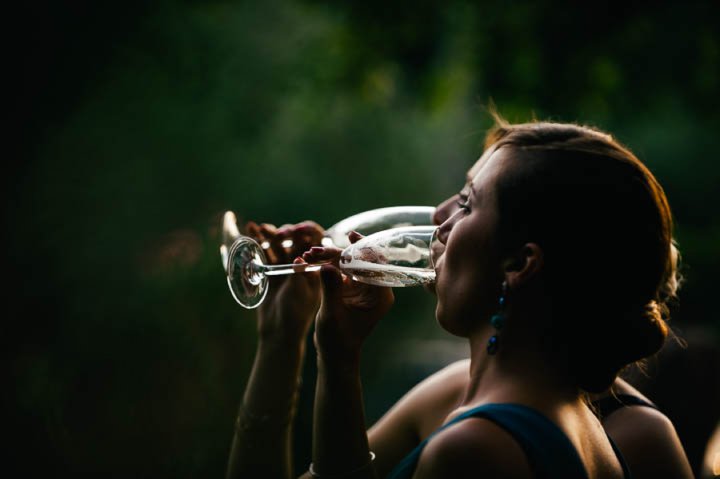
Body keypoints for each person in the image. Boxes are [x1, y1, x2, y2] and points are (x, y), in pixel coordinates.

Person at [226, 115, 693, 478]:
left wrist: (334, 358)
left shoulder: (475, 451)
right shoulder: (568, 415)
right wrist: (294, 340)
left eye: (468, 201)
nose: (440, 220)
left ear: (520, 265)